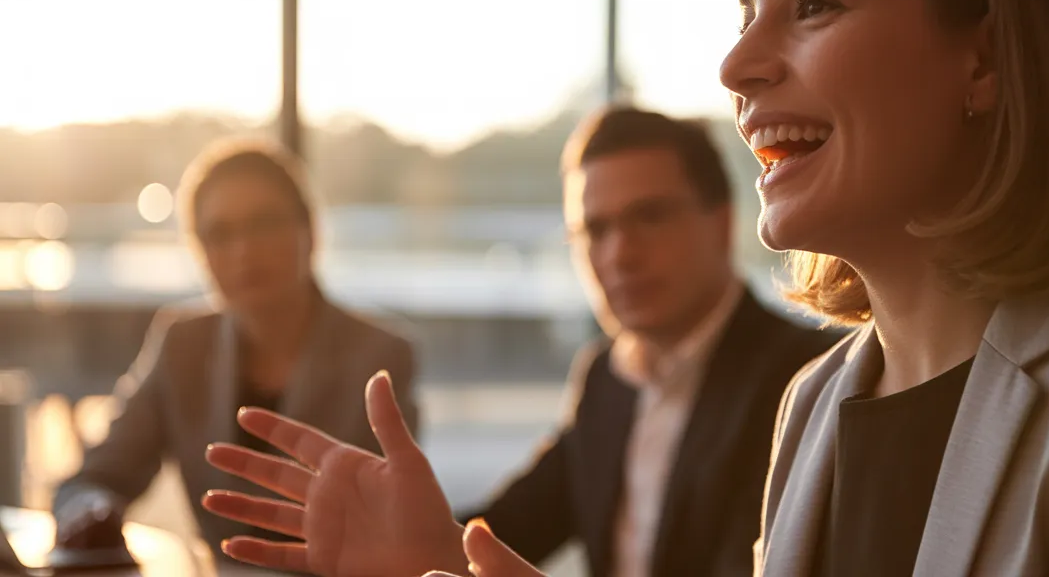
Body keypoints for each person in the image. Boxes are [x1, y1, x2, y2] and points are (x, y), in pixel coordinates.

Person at [200, 0, 1049, 575]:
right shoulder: (814, 402)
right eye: (745, 15)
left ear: (988, 58)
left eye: (812, 4)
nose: (735, 62)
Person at [200, 107, 835, 577]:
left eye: (649, 216)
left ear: (721, 221)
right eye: (595, 230)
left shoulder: (805, 381)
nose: (619, 255)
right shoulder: (608, 377)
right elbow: (512, 527)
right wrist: (412, 540)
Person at [52, 138, 420, 562]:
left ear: (311, 231)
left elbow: (391, 520)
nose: (244, 250)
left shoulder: (380, 355)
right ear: (200, 252)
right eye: (219, 233)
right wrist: (91, 512)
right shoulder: (183, 343)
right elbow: (95, 478)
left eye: (264, 224)